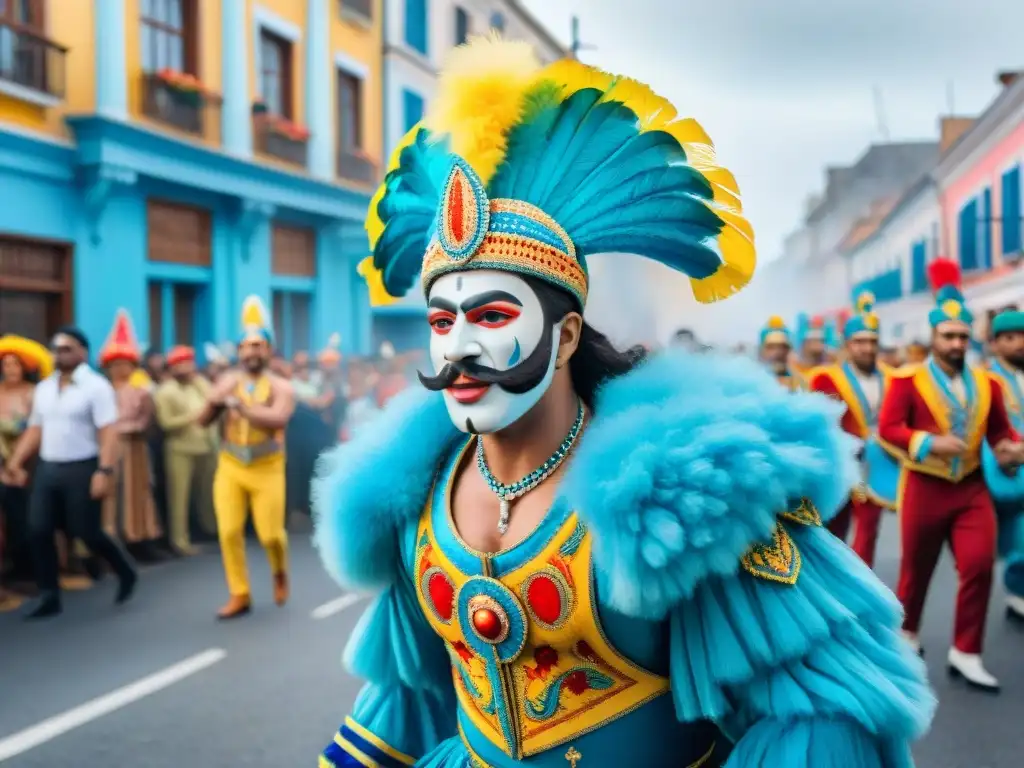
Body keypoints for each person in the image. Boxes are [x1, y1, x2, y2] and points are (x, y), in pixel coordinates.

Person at [312, 38, 933, 768]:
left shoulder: (686, 506)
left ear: (567, 334)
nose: (458, 347)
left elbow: (820, 708)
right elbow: (411, 695)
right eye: (442, 322)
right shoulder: (415, 499)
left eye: (491, 316)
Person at [878, 258, 1024, 691]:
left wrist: (1010, 448)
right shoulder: (907, 380)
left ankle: (967, 651)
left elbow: (1000, 430)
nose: (957, 343)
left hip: (972, 487)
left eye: (962, 336)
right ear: (934, 337)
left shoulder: (988, 384)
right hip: (924, 485)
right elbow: (889, 428)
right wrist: (927, 442)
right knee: (916, 570)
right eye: (948, 336)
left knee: (978, 565)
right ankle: (908, 635)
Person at [3, 326, 138, 619]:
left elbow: (108, 431)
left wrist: (104, 470)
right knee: (38, 530)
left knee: (85, 531)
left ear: (82, 353)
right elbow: (35, 428)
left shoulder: (96, 387)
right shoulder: (44, 388)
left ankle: (124, 569)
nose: (59, 355)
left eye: (66, 349)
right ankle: (49, 594)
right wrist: (16, 461)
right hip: (49, 468)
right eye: (56, 349)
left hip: (83, 466)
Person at [198, 296, 295, 619]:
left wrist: (241, 406)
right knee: (228, 532)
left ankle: (279, 571)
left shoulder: (282, 386)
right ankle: (239, 593)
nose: (252, 352)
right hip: (231, 465)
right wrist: (214, 400)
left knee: (270, 535)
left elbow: (278, 419)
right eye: (246, 347)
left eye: (258, 346)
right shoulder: (227, 382)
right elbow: (201, 421)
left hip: (267, 466)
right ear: (238, 352)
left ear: (268, 350)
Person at [808, 291, 897, 563]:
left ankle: (862, 585)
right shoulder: (825, 378)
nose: (867, 348)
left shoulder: (894, 378)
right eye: (860, 342)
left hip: (876, 466)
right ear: (847, 344)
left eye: (872, 341)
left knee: (867, 533)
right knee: (833, 533)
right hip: (840, 467)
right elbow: (819, 425)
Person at [99, 310, 164, 562]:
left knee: (137, 491)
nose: (120, 369)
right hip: (107, 448)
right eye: (115, 364)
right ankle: (110, 540)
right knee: (110, 494)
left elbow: (147, 420)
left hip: (134, 448)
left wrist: (131, 428)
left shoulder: (141, 391)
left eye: (125, 364)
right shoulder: (102, 390)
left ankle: (139, 537)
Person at [0, 335, 51, 612]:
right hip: (2, 464)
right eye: (5, 364)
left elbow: (37, 428)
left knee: (27, 517)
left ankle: (31, 572)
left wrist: (17, 461)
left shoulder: (34, 393)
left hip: (29, 462)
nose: (10, 369)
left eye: (15, 364)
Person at [153, 345, 217, 556]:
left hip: (206, 447)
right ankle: (179, 541)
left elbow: (214, 404)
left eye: (189, 363)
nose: (187, 368)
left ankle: (210, 530)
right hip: (179, 450)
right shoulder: (165, 391)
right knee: (178, 497)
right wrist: (193, 416)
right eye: (181, 364)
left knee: (207, 494)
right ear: (172, 368)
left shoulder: (201, 384)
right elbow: (166, 423)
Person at [982, 309, 1024, 622]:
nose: (1019, 343)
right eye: (1009, 338)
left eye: (1022, 337)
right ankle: (1016, 590)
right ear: (995, 344)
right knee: (1016, 535)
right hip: (1008, 470)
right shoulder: (986, 382)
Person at [758, 316, 805, 391]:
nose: (777, 352)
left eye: (782, 347)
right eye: (771, 347)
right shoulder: (756, 380)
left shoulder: (799, 381)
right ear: (763, 352)